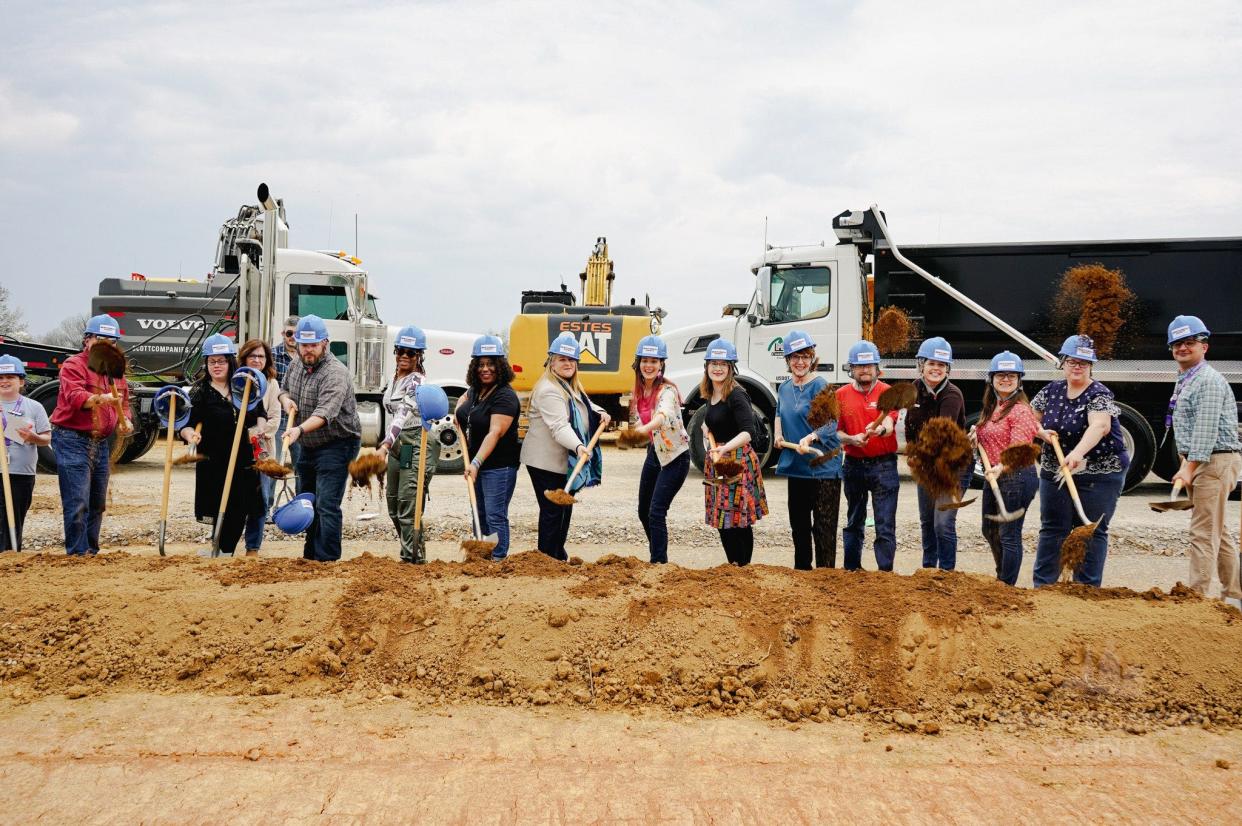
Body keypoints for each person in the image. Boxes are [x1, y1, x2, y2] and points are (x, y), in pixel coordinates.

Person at [1031, 334, 1130, 587]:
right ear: (1062, 363)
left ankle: (1086, 590)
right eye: (1072, 361)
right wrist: (1040, 431)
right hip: (1056, 471)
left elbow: (1100, 426)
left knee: (1091, 530)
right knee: (1053, 528)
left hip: (1100, 472)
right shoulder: (1050, 391)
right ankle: (1044, 587)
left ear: (1091, 366)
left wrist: (1077, 453)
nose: (1077, 366)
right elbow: (1029, 418)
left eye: (1083, 363)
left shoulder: (1099, 393)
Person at [1165, 315, 1242, 601]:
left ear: (1204, 346)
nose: (1182, 348)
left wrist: (1188, 467)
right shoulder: (1187, 378)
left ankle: (1195, 599)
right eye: (1177, 344)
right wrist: (1188, 465)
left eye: (1189, 342)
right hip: (1205, 461)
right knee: (1217, 531)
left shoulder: (1208, 381)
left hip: (1214, 461)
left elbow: (1206, 431)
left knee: (1202, 533)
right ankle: (1234, 595)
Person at [279, 315, 362, 562]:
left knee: (326, 503)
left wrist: (298, 431)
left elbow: (325, 413)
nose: (308, 350)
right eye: (304, 345)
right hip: (308, 444)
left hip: (338, 442)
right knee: (307, 500)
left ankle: (327, 559)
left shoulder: (336, 373)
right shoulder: (296, 364)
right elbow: (283, 390)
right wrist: (285, 400)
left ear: (325, 342)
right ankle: (310, 556)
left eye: (313, 345)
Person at [520, 332, 609, 561]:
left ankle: (557, 555)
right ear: (552, 361)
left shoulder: (570, 386)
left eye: (571, 359)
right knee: (552, 512)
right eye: (562, 359)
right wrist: (580, 447)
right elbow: (559, 426)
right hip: (545, 462)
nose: (567, 363)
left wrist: (600, 412)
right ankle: (547, 560)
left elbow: (584, 405)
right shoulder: (549, 389)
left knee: (564, 509)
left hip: (561, 462)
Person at [50, 313, 133, 556]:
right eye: (101, 339)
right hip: (72, 439)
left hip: (101, 442)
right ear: (87, 340)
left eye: (112, 342)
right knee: (78, 503)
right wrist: (101, 398)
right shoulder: (74, 365)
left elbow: (124, 403)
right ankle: (77, 554)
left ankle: (91, 552)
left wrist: (124, 420)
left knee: (97, 502)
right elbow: (75, 396)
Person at [179, 334, 265, 556]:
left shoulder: (244, 385)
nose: (216, 366)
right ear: (206, 364)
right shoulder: (200, 392)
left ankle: (226, 549)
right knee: (218, 505)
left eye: (221, 361)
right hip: (214, 460)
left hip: (243, 458)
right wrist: (189, 435)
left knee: (240, 505)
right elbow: (186, 424)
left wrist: (259, 428)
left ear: (230, 361)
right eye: (211, 361)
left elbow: (260, 413)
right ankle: (219, 546)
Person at [773, 330, 841, 570]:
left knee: (823, 528)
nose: (800, 362)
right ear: (788, 360)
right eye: (794, 357)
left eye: (805, 356)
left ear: (813, 357)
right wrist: (778, 435)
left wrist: (812, 437)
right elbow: (779, 412)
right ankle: (802, 573)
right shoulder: (784, 387)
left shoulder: (821, 386)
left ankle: (825, 577)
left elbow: (833, 423)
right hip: (797, 467)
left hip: (823, 467)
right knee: (799, 525)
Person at [974, 351, 1041, 585]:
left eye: (1011, 375)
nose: (1006, 379)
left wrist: (1001, 466)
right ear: (991, 378)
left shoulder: (1021, 410)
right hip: (995, 475)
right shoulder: (994, 406)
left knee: (1008, 534)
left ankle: (1006, 585)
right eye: (1001, 375)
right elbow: (988, 435)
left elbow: (1020, 447)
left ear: (1019, 380)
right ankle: (1002, 575)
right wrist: (976, 434)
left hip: (1017, 476)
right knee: (989, 529)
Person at [700, 338, 767, 566]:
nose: (717, 368)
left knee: (738, 517)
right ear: (707, 366)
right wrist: (708, 427)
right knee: (721, 516)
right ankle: (732, 567)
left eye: (723, 364)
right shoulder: (711, 393)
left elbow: (747, 432)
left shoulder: (737, 394)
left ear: (731, 367)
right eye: (713, 363)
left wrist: (725, 447)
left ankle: (743, 567)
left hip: (736, 460)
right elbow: (717, 419)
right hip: (719, 460)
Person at [904, 337, 969, 571]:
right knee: (927, 521)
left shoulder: (952, 395)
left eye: (941, 365)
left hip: (952, 466)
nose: (936, 368)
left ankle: (947, 572)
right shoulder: (915, 389)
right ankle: (929, 569)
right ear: (922, 364)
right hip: (926, 464)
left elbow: (941, 433)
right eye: (931, 363)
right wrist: (912, 449)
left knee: (943, 522)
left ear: (947, 368)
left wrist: (919, 453)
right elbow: (910, 425)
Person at [455, 335, 521, 561]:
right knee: (479, 513)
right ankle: (483, 555)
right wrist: (457, 416)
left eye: (491, 364)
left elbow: (495, 432)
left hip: (498, 467)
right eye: (481, 364)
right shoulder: (475, 391)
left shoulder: (505, 396)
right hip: (478, 465)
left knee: (495, 515)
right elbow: (461, 409)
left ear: (500, 365)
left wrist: (475, 463)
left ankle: (498, 558)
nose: (486, 369)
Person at [835, 340, 899, 572]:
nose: (865, 370)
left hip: (884, 466)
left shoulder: (887, 392)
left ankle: (884, 573)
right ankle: (852, 571)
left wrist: (879, 429)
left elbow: (890, 422)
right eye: (859, 366)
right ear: (851, 368)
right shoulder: (840, 395)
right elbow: (837, 432)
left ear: (876, 368)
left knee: (884, 524)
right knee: (854, 521)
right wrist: (852, 439)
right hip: (853, 465)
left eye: (869, 365)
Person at [377, 325, 438, 564]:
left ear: (419, 356)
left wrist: (384, 444)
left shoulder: (417, 382)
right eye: (400, 350)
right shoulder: (393, 379)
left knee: (408, 504)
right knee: (393, 502)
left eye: (411, 353)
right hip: (398, 445)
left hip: (415, 441)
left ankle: (412, 558)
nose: (404, 356)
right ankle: (411, 551)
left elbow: (402, 413)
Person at [628, 335, 690, 564]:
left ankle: (659, 564)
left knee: (656, 511)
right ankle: (657, 556)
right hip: (655, 453)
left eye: (654, 361)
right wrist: (635, 429)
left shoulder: (667, 391)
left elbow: (663, 416)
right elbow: (637, 418)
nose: (649, 365)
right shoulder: (639, 390)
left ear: (661, 364)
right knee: (643, 510)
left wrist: (642, 430)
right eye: (645, 360)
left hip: (676, 457)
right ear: (639, 362)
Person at [0, 355, 51, 551]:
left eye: (10, 377)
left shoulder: (34, 407)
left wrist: (33, 437)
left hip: (21, 473)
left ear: (21, 381)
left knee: (15, 518)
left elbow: (47, 438)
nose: (4, 381)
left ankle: (12, 555)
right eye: (0, 377)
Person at [238, 338, 281, 556]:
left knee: (261, 498)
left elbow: (274, 418)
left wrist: (253, 434)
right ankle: (225, 542)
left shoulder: (271, 384)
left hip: (262, 450)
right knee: (237, 496)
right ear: (244, 358)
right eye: (252, 356)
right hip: (236, 449)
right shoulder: (234, 381)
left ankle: (252, 547)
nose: (257, 360)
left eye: (261, 356)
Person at [271, 315, 301, 470]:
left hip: (300, 421)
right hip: (278, 420)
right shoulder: (272, 355)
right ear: (283, 334)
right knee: (274, 466)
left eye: (297, 333)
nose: (293, 337)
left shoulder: (307, 357)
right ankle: (268, 496)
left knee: (301, 468)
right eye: (289, 333)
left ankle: (301, 495)